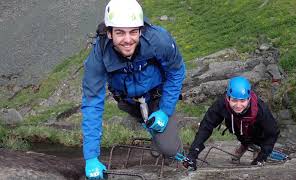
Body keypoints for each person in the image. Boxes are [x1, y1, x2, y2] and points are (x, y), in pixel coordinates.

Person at [81, 0, 186, 178]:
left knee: (168, 147)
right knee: (152, 128)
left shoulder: (158, 41)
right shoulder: (99, 56)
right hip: (128, 101)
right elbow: (92, 103)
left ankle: (176, 157)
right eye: (120, 32)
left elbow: (176, 71)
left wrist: (165, 110)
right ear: (109, 33)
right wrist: (91, 157)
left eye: (133, 32)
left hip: (157, 98)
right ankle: (156, 137)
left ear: (140, 30)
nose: (128, 40)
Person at [183, 76, 280, 170]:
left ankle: (257, 148)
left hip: (258, 133)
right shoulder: (221, 104)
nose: (238, 105)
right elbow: (206, 126)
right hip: (238, 129)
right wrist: (193, 153)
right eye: (234, 100)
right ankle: (245, 144)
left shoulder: (260, 109)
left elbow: (272, 132)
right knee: (237, 125)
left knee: (260, 135)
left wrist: (262, 156)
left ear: (249, 99)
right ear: (228, 97)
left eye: (242, 101)